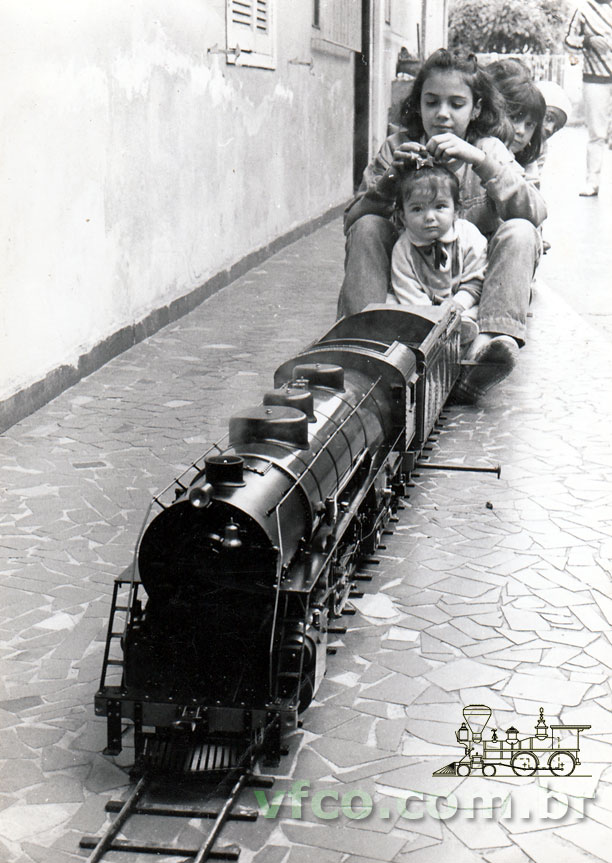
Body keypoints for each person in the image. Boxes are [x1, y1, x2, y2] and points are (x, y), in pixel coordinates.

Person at [337, 48, 547, 404]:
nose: (443, 115)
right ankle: (367, 345)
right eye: (431, 102)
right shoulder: (396, 147)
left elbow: (536, 211)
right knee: (369, 226)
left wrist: (481, 163)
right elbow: (353, 224)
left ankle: (484, 353)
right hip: (409, 285)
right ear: (417, 105)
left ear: (476, 109)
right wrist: (390, 180)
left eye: (456, 104)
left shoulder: (489, 148)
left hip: (473, 288)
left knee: (522, 231)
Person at [389, 159, 487, 349]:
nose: (429, 217)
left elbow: (477, 278)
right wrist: (430, 316)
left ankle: (465, 337)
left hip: (462, 302)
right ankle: (430, 336)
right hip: (422, 308)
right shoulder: (403, 248)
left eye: (440, 206)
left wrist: (457, 305)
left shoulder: (468, 235)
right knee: (391, 303)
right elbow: (406, 287)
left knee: (480, 309)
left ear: (456, 211)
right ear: (403, 217)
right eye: (417, 209)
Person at [565, 0, 612, 196]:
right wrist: (587, 41)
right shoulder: (582, 9)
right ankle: (592, 181)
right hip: (596, 78)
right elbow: (568, 42)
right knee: (596, 133)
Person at [487, 60, 546, 182]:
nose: (521, 131)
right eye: (514, 118)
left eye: (529, 125)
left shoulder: (527, 161)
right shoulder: (487, 149)